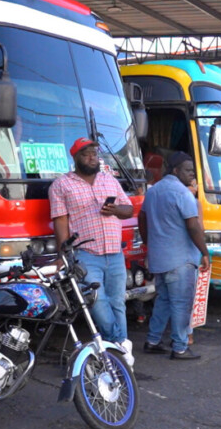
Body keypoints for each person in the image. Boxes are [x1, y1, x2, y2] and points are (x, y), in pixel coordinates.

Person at [49, 138, 135, 366]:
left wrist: (115, 209)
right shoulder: (61, 185)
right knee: (96, 301)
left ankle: (117, 354)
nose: (92, 158)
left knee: (118, 301)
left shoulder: (110, 180)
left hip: (115, 252)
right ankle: (120, 345)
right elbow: (60, 222)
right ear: (75, 157)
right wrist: (62, 255)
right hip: (86, 254)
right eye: (86, 154)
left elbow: (128, 209)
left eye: (95, 154)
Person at [138, 153, 210, 360]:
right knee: (181, 303)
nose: (192, 175)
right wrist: (204, 252)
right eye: (188, 170)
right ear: (175, 170)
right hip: (181, 260)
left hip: (159, 258)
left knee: (164, 300)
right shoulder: (182, 193)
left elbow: (142, 217)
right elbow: (193, 226)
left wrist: (148, 242)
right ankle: (179, 347)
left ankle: (153, 340)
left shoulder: (153, 191)